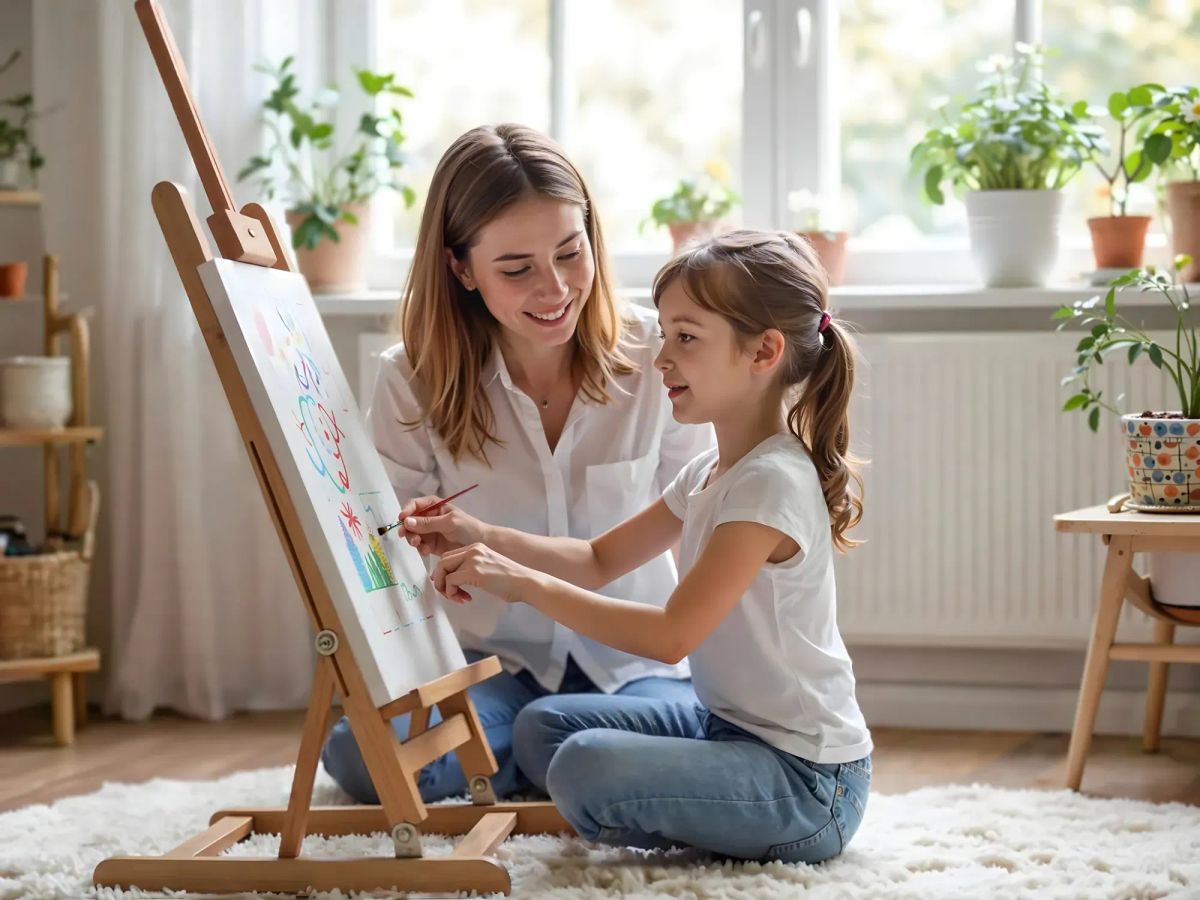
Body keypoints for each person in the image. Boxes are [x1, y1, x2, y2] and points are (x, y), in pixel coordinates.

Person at [413, 230, 871, 863]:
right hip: (727, 731)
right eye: (663, 334)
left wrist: (518, 582)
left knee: (582, 767)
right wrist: (479, 534)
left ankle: (689, 805)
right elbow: (598, 559)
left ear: (763, 351)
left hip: (808, 783)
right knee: (542, 728)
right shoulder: (713, 469)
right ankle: (684, 798)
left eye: (685, 338)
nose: (661, 359)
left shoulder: (769, 485)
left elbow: (670, 638)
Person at [319, 124, 714, 804]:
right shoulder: (413, 379)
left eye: (570, 252)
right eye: (516, 269)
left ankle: (536, 753)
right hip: (489, 668)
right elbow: (388, 559)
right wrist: (413, 549)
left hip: (636, 664)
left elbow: (707, 518)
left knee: (556, 731)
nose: (555, 288)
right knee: (357, 753)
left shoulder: (659, 354)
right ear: (461, 268)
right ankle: (556, 755)